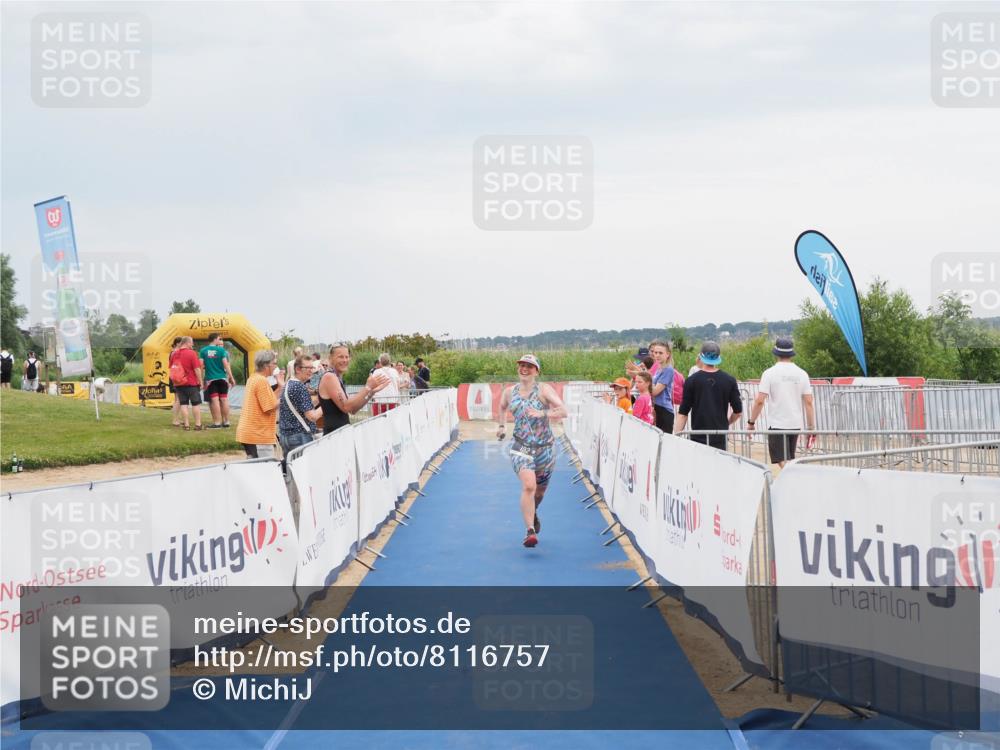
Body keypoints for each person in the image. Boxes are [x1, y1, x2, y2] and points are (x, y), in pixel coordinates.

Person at [496, 354, 567, 548]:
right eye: (521, 365)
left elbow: (563, 411)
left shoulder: (544, 390)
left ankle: (533, 511)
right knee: (529, 486)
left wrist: (543, 413)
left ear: (537, 371)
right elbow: (501, 407)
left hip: (545, 448)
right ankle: (530, 531)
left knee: (540, 491)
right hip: (521, 446)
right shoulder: (510, 392)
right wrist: (502, 427)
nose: (524, 369)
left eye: (529, 366)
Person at [747, 337, 816, 467]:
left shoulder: (769, 373)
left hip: (777, 423)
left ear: (776, 353)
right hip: (795, 423)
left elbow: (760, 401)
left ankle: (793, 482)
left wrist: (751, 422)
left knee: (782, 460)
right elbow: (808, 402)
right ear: (791, 353)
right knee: (788, 459)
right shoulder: (802, 374)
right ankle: (791, 481)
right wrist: (811, 428)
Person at [674, 341, 742, 451]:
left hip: (698, 436)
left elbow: (683, 413)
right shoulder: (729, 380)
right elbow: (738, 411)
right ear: (718, 357)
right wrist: (726, 423)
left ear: (701, 356)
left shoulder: (692, 380)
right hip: (720, 437)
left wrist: (676, 437)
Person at [317, 344, 390, 434]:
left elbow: (353, 410)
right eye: (340, 357)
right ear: (330, 358)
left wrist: (371, 392)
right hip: (334, 436)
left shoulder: (337, 377)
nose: (344, 360)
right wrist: (367, 388)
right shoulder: (329, 377)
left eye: (347, 357)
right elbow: (346, 407)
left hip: (341, 433)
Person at [237, 350, 284, 458]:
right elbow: (269, 407)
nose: (276, 366)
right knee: (264, 470)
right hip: (258, 435)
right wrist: (286, 398)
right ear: (266, 365)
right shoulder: (261, 381)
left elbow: (268, 399)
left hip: (250, 432)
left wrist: (281, 387)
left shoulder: (253, 378)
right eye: (274, 363)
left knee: (254, 468)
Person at [278, 355, 323, 455]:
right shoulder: (300, 387)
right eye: (308, 368)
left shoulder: (289, 384)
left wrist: (321, 398)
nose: (311, 371)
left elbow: (303, 406)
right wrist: (326, 404)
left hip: (286, 436)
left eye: (312, 368)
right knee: (303, 469)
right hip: (300, 437)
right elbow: (312, 417)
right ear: (298, 369)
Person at [199, 332, 236, 428]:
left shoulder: (203, 351)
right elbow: (226, 364)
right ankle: (227, 421)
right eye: (219, 338)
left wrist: (201, 379)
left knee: (214, 400)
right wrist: (231, 377)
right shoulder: (221, 350)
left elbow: (201, 366)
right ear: (214, 339)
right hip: (222, 379)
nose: (220, 340)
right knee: (224, 399)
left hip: (211, 379)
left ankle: (217, 422)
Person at [170, 337, 204, 430]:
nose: (192, 345)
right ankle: (198, 425)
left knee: (183, 404)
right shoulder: (192, 353)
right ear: (187, 342)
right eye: (191, 343)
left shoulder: (174, 354)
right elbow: (197, 369)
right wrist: (200, 381)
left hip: (179, 384)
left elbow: (171, 368)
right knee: (195, 404)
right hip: (191, 383)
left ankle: (186, 425)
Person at [649, 341, 677, 434]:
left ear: (667, 354)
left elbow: (655, 391)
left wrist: (647, 382)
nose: (657, 355)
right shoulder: (659, 368)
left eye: (660, 353)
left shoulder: (668, 369)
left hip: (664, 410)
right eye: (655, 352)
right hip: (657, 407)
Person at [167, 337, 183, 426]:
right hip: (176, 377)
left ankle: (177, 419)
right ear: (177, 343)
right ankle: (175, 419)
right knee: (178, 399)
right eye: (181, 343)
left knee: (178, 399)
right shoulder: (175, 352)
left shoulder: (174, 352)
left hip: (175, 376)